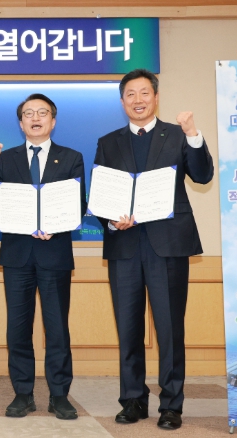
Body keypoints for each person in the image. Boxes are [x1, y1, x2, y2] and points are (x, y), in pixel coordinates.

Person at [94, 69, 213, 430]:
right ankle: (132, 400)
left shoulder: (178, 135)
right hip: (125, 246)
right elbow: (101, 194)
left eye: (144, 93)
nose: (138, 100)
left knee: (170, 329)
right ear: (122, 101)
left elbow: (203, 175)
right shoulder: (108, 142)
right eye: (130, 94)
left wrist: (193, 134)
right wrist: (111, 221)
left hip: (169, 245)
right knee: (128, 328)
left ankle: (171, 404)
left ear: (156, 97)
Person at [0, 94, 86, 420]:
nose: (35, 118)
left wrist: (55, 227)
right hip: (17, 255)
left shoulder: (71, 157)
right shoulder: (6, 159)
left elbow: (78, 203)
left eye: (42, 113)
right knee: (18, 328)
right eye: (28, 114)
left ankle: (59, 395)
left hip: (54, 253)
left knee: (57, 328)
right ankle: (23, 394)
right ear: (21, 123)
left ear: (53, 121)